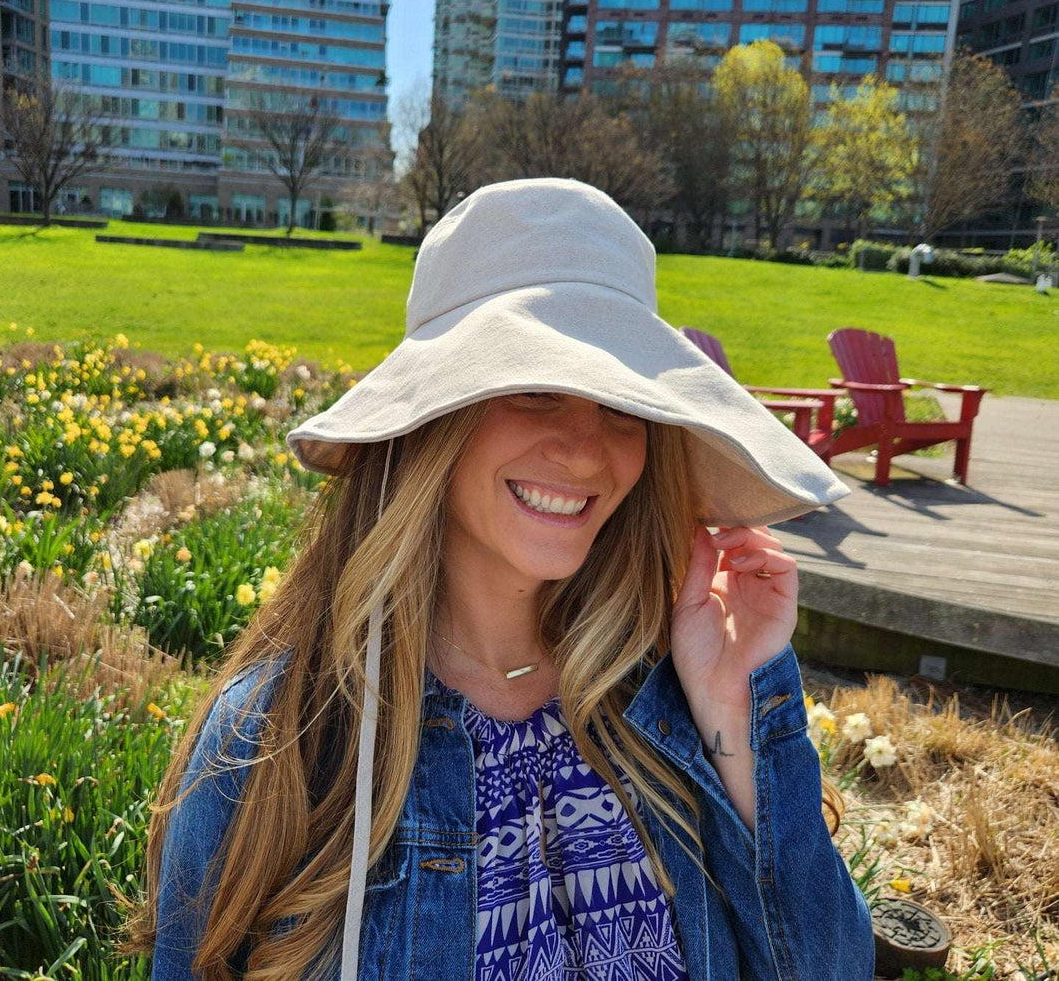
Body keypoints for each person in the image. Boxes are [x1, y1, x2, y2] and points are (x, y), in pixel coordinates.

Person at [125, 177, 875, 980]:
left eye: (624, 407)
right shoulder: (284, 738)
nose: (587, 451)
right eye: (536, 391)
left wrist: (730, 711)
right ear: (432, 423)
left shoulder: (675, 692)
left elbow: (829, 966)